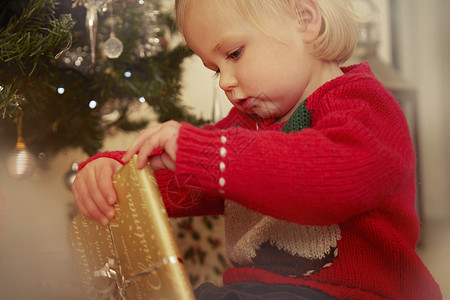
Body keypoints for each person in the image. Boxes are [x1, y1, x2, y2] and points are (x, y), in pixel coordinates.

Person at [72, 0, 442, 299]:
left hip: (357, 291)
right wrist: (110, 171)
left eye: (233, 53)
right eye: (215, 69)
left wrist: (204, 153)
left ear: (305, 19)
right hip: (256, 290)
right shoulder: (241, 126)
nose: (227, 83)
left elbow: (329, 179)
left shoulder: (363, 104)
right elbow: (179, 179)